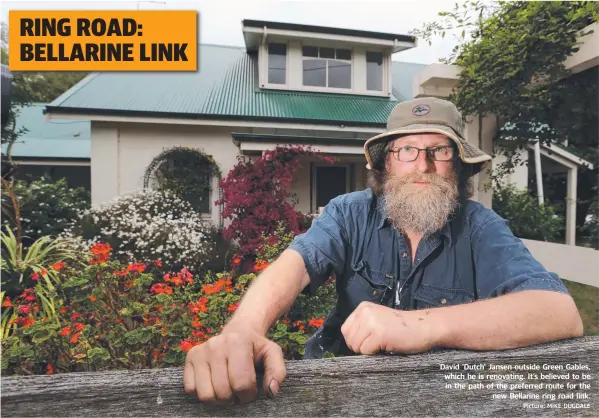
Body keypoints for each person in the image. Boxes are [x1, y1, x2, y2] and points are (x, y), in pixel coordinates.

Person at [183, 97, 583, 405]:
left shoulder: (481, 228)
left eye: (439, 151)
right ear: (386, 164)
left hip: (438, 401)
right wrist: (243, 329)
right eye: (406, 150)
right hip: (335, 392)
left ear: (458, 165)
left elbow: (558, 312)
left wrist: (418, 326)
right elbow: (297, 264)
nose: (422, 165)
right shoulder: (349, 212)